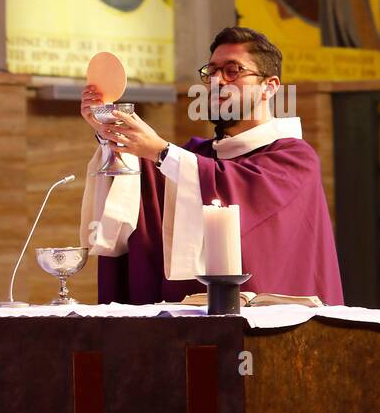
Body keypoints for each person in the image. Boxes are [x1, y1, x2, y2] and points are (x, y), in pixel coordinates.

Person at [78, 26, 344, 304]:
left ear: (270, 87)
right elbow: (143, 198)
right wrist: (109, 131)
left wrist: (160, 150)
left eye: (233, 71)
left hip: (278, 329)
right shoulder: (197, 155)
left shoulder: (294, 157)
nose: (217, 81)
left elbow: (236, 187)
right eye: (211, 72)